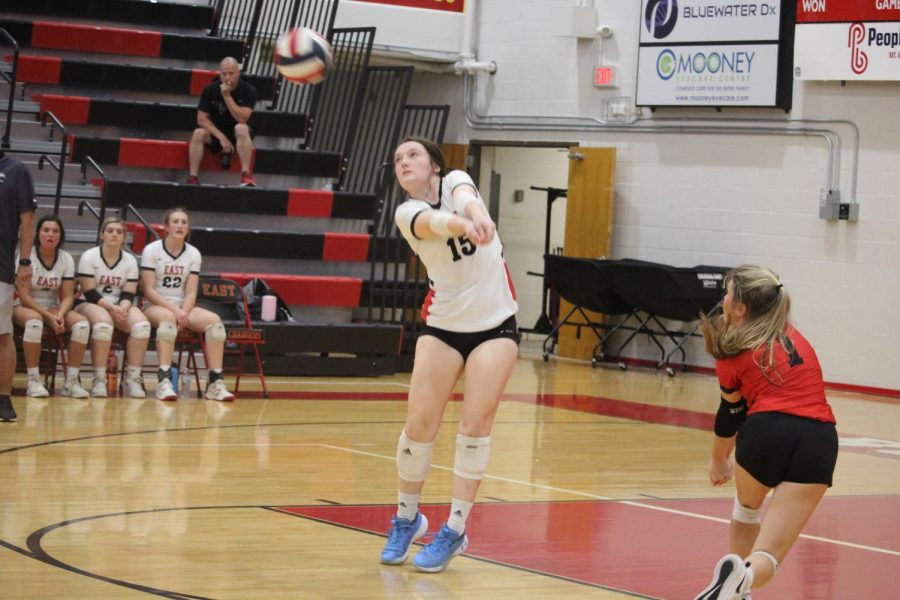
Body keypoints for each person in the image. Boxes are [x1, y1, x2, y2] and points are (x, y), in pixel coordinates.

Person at [379, 137, 519, 573]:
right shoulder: (405, 212)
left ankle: (455, 530)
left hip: (496, 325)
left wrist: (478, 217)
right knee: (419, 425)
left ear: (434, 166)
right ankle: (407, 518)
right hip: (443, 324)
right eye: (398, 159)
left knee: (475, 426)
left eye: (413, 155)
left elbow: (465, 198)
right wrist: (463, 226)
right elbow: (431, 224)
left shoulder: (457, 179)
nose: (404, 162)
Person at [694, 265, 838, 600]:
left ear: (741, 308)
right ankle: (742, 579)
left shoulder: (732, 349)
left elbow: (731, 414)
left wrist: (719, 460)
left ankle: (738, 590)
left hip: (766, 431)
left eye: (727, 293)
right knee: (770, 554)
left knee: (747, 509)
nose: (723, 298)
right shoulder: (796, 338)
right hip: (819, 439)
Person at [140, 208, 235, 402]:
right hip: (154, 306)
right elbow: (148, 290)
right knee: (167, 320)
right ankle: (164, 382)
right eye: (175, 221)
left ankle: (215, 383)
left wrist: (183, 311)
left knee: (215, 323)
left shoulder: (193, 253)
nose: (180, 225)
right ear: (166, 227)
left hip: (183, 306)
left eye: (184, 222)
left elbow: (191, 291)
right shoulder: (152, 250)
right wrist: (175, 311)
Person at [13, 215, 91, 398]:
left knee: (82, 325)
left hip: (53, 306)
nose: (50, 235)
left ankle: (70, 383)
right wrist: (48, 316)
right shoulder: (26, 256)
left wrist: (61, 313)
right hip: (24, 306)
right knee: (35, 323)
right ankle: (33, 381)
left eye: (55, 231)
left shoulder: (66, 259)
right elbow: (23, 296)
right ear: (38, 234)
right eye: (46, 230)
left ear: (60, 236)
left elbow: (69, 296)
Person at [75, 216, 150, 398]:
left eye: (119, 232)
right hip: (88, 303)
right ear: (102, 235)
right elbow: (90, 292)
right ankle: (99, 379)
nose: (114, 235)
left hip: (117, 305)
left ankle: (132, 378)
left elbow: (128, 293)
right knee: (103, 326)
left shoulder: (130, 260)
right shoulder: (90, 256)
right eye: (110, 231)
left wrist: (123, 307)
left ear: (124, 237)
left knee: (142, 327)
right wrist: (112, 309)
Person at [0, 150, 36, 422]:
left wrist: (24, 260)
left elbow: (27, 220)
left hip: (0, 265)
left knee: (2, 334)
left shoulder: (15, 170)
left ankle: (3, 399)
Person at [188, 57, 257, 188]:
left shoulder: (249, 90)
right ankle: (193, 177)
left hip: (239, 133)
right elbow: (201, 119)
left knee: (241, 128)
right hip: (216, 131)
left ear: (238, 73)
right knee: (198, 133)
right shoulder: (210, 89)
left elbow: (242, 118)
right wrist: (221, 137)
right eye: (224, 74)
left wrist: (227, 96)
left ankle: (246, 174)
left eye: (231, 73)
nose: (227, 78)